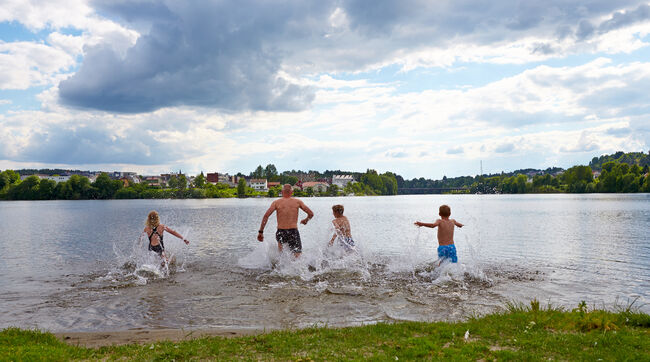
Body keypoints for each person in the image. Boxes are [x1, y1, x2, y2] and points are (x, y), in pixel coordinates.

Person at [258, 184, 314, 257]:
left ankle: (278, 268)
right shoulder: (297, 202)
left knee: (281, 257)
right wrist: (306, 220)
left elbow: (266, 216)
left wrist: (261, 232)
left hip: (281, 232)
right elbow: (311, 214)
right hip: (293, 231)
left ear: (282, 192)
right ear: (292, 192)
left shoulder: (276, 202)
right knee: (297, 257)